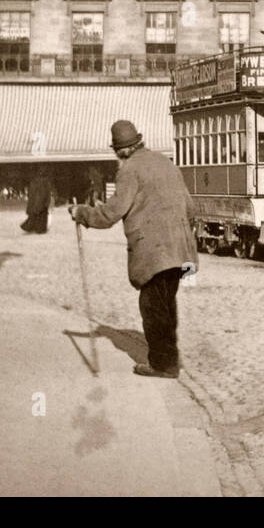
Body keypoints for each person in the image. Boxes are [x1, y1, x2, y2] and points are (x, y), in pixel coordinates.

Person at [70, 120, 198, 379]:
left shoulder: (129, 170)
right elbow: (190, 208)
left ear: (119, 150)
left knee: (152, 307)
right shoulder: (166, 163)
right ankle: (170, 360)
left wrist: (82, 213)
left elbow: (112, 212)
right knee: (166, 304)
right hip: (180, 249)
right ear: (138, 141)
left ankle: (163, 365)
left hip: (154, 252)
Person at [22, 166, 53, 233]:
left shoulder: (35, 181)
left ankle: (34, 228)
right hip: (41, 202)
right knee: (41, 216)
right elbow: (47, 193)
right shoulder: (45, 181)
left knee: (35, 216)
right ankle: (40, 229)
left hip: (36, 202)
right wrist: (47, 202)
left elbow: (32, 193)